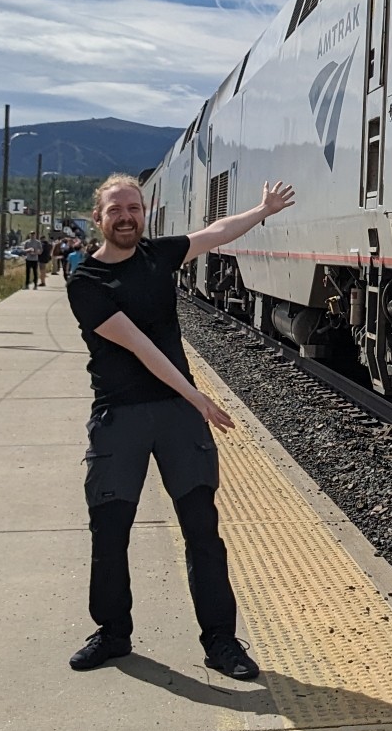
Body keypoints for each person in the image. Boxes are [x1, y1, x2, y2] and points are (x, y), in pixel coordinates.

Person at [64, 171, 294, 678]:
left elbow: (214, 234)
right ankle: (113, 632)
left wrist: (262, 212)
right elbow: (141, 348)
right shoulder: (85, 281)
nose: (126, 217)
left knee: (203, 531)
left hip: (176, 419)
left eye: (134, 208)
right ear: (98, 218)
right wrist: (198, 397)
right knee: (110, 530)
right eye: (115, 210)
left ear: (143, 213)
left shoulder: (157, 254)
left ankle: (221, 642)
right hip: (119, 417)